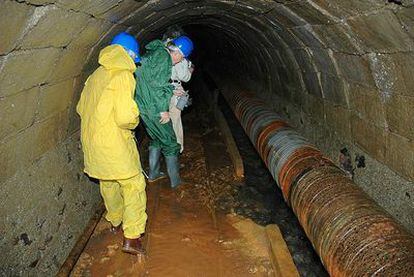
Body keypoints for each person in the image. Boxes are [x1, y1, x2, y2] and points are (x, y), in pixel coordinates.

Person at [76, 32, 146, 255]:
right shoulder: (123, 75)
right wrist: (136, 117)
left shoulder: (95, 75)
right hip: (114, 143)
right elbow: (125, 117)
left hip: (93, 144)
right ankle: (132, 237)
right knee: (134, 185)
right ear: (129, 54)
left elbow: (80, 108)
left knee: (108, 182)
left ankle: (115, 220)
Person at [134, 35, 194, 188]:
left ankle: (154, 173)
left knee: (156, 138)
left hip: (144, 105)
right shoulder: (164, 58)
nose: (180, 61)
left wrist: (171, 88)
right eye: (181, 58)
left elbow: (150, 81)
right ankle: (176, 182)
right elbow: (159, 86)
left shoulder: (155, 53)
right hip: (154, 108)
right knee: (171, 143)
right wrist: (163, 110)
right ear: (177, 52)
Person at [169, 53, 194, 153]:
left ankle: (168, 147)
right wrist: (191, 68)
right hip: (174, 89)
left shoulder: (164, 51)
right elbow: (185, 77)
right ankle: (177, 148)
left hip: (164, 89)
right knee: (175, 121)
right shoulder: (179, 57)